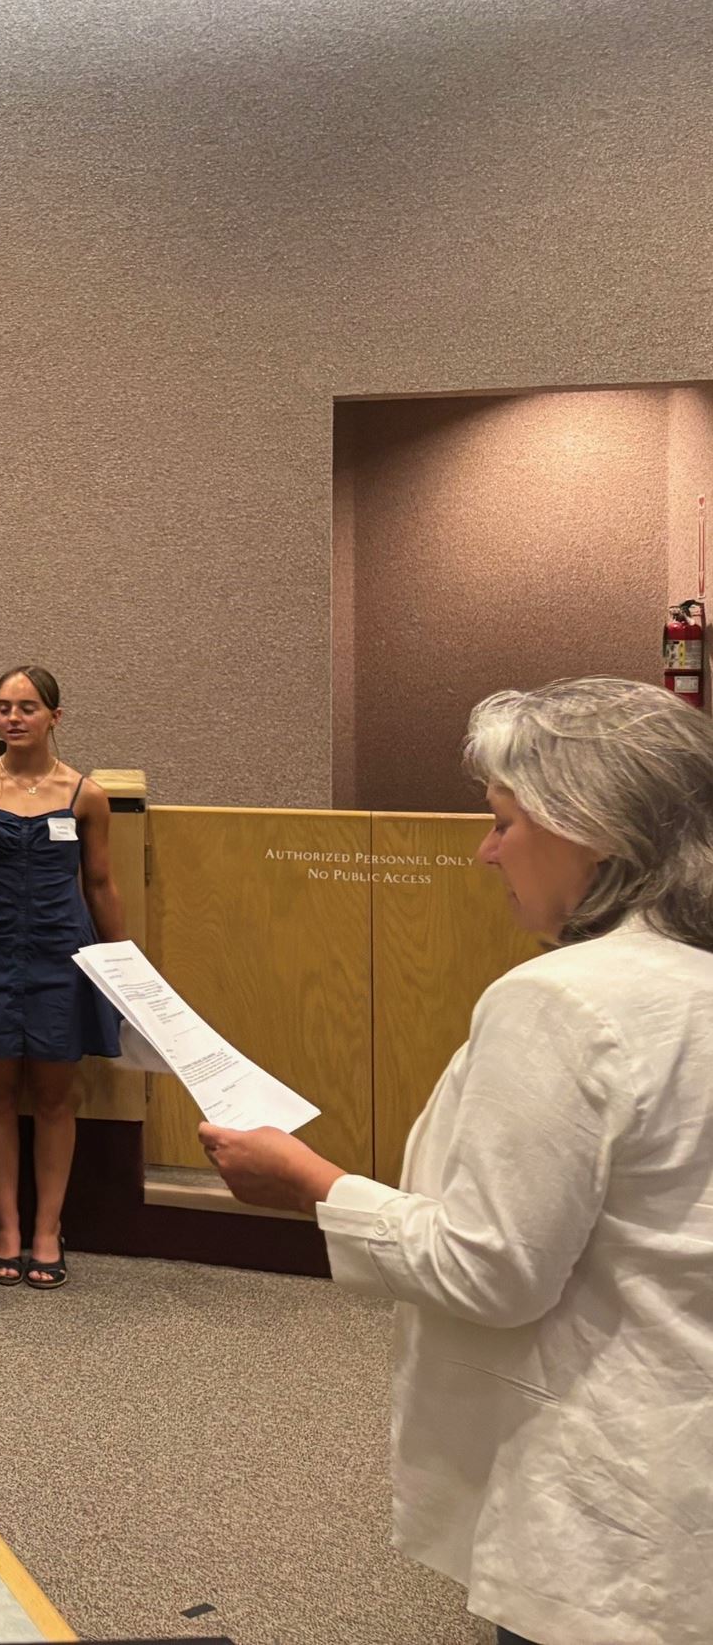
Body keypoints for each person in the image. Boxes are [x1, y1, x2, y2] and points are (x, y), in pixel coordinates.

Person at [201, 679, 713, 1645]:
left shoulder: (565, 1001)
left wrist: (312, 1186)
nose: (486, 852)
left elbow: (491, 1268)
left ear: (591, 830)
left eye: (504, 822)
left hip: (611, 1493)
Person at [0, 665, 124, 1290]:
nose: (13, 718)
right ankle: (7, 1227)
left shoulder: (85, 794)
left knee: (56, 1097)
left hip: (61, 955)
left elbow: (100, 883)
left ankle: (48, 1230)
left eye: (27, 707)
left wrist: (124, 965)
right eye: (4, 707)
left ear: (54, 717)